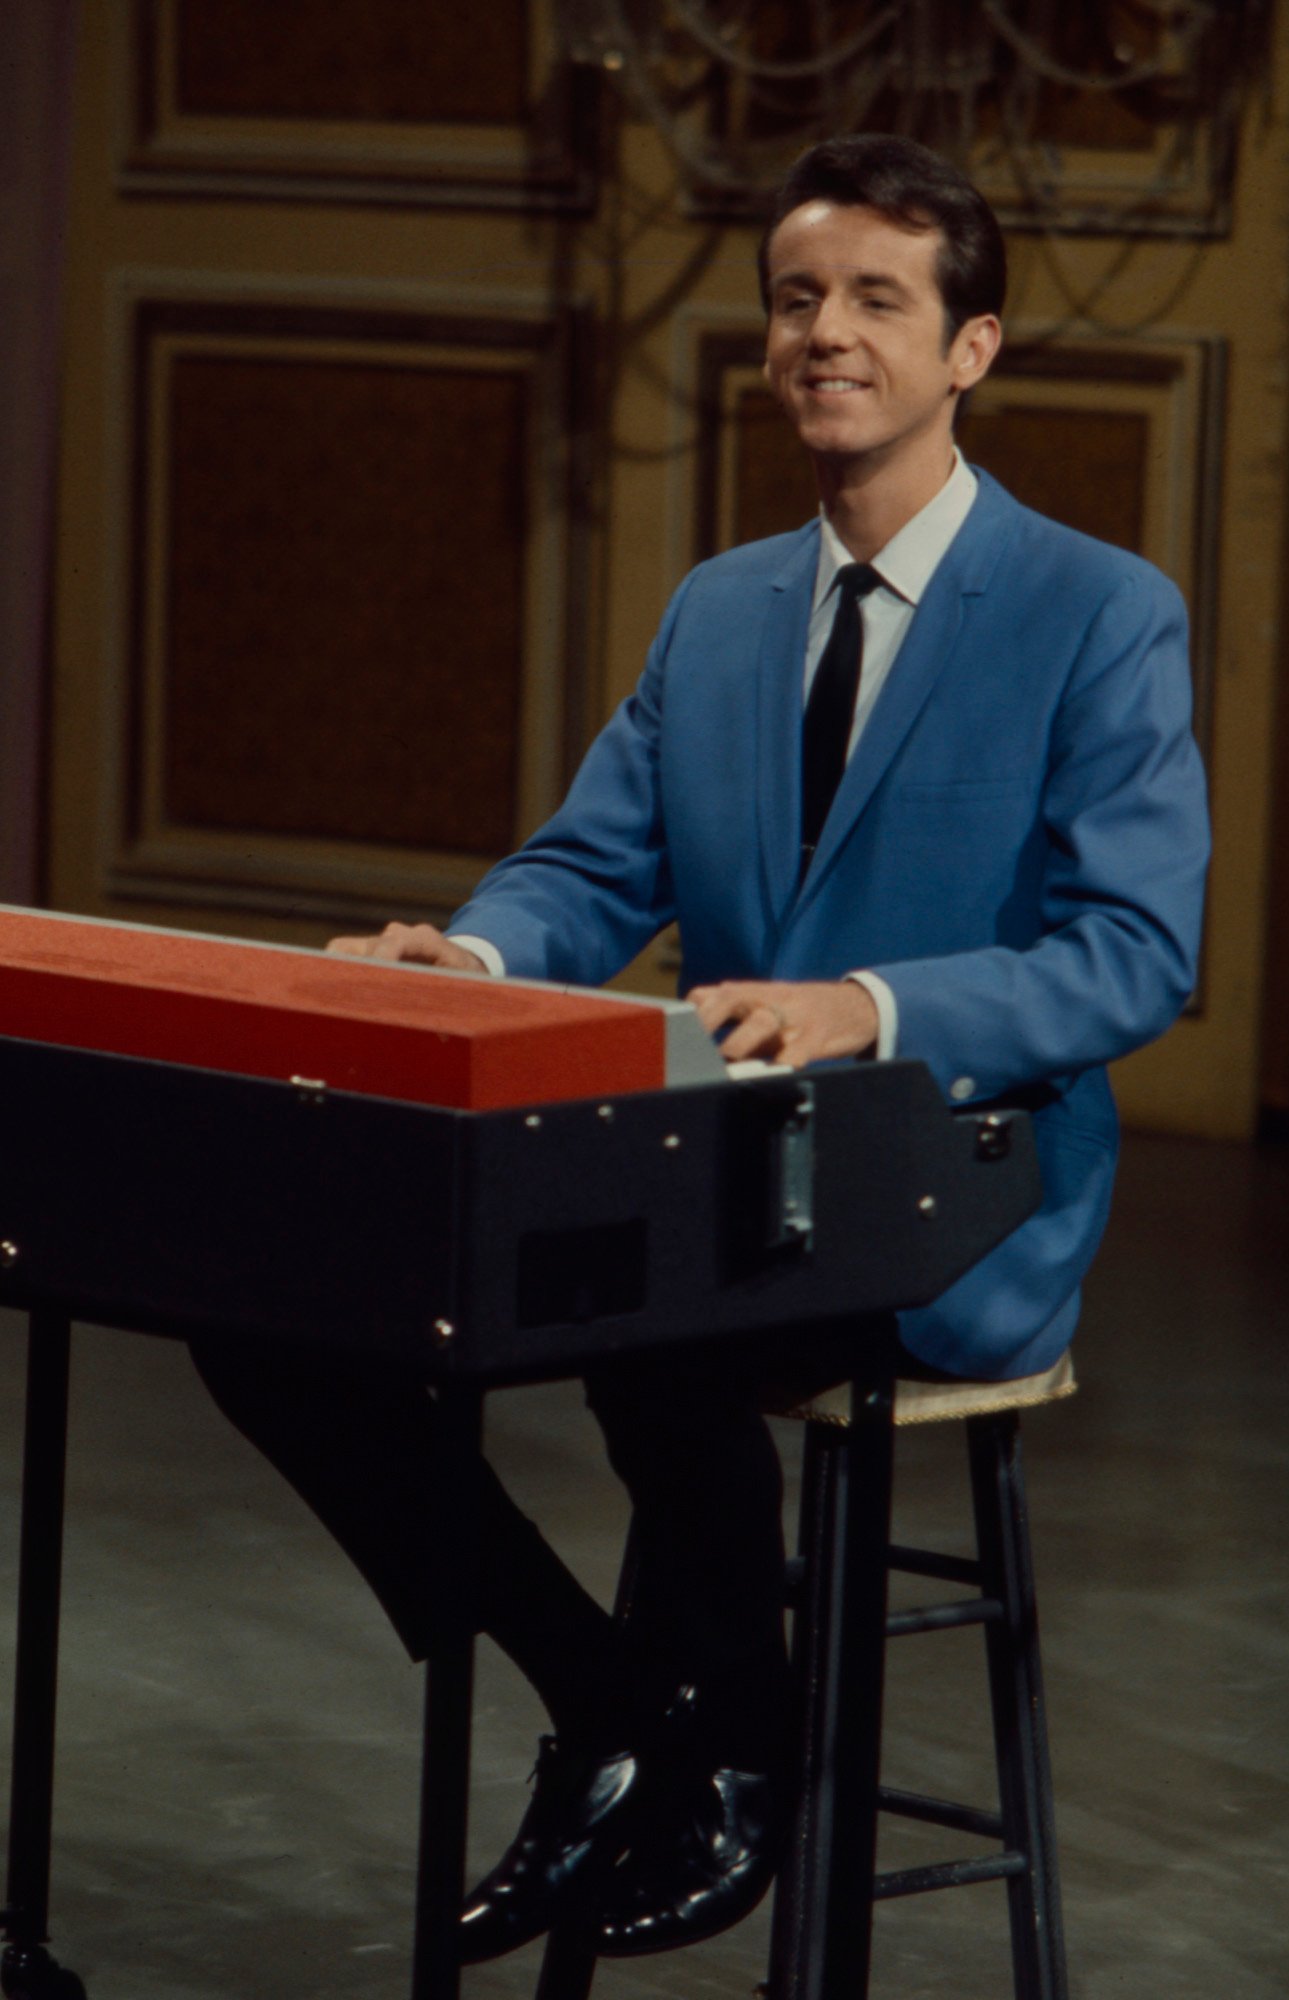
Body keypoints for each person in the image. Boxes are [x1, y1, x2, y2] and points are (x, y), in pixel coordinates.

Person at [194, 133, 1209, 1963]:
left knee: (667, 1306)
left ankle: (729, 1745)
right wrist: (474, 952)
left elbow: (1138, 955)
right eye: (797, 297)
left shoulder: (1100, 610)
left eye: (878, 300)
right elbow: (593, 866)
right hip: (731, 1160)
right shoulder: (720, 608)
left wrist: (874, 1006)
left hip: (946, 1185)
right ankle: (610, 1699)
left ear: (969, 349)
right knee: (271, 1306)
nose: (827, 332)